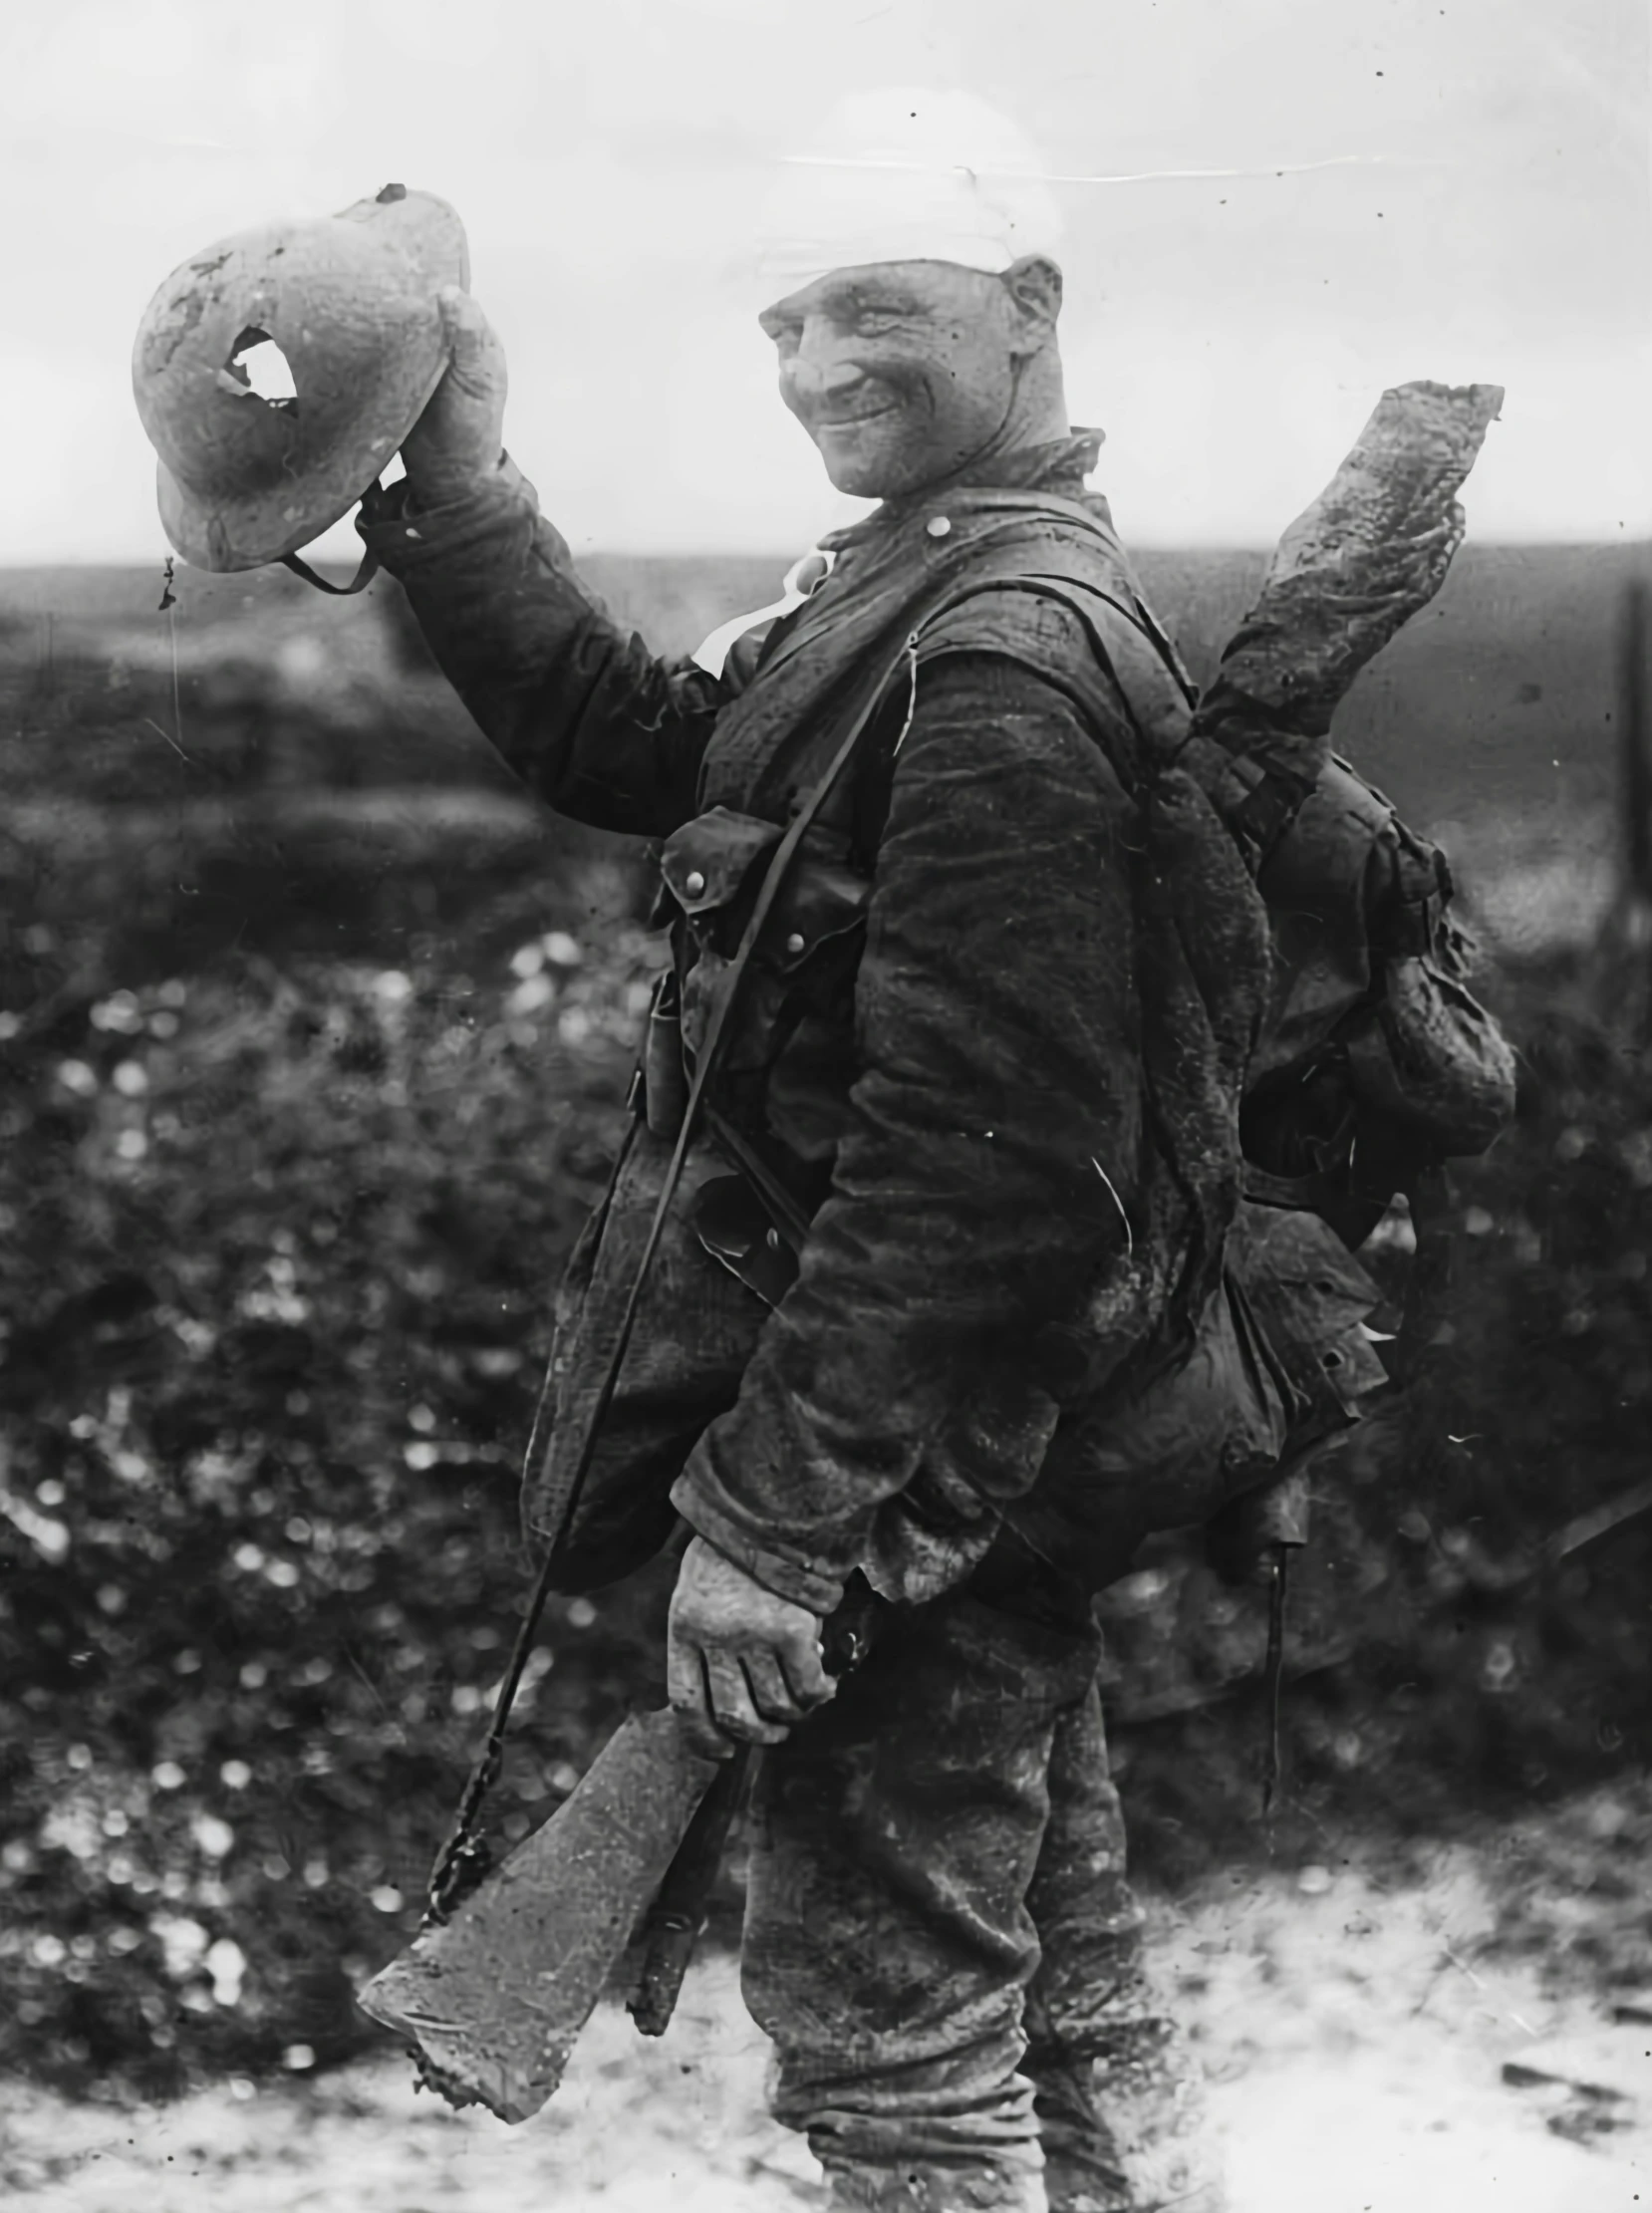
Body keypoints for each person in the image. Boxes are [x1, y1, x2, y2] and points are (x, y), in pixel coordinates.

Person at [355, 92, 1291, 2213]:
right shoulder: (904, 605)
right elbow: (627, 737)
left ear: (1030, 307)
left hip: (899, 1468)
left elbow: (988, 1161)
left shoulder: (989, 665)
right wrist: (450, 471)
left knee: (900, 2062)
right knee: (1059, 1997)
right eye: (785, 321)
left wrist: (776, 1530)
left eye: (876, 310)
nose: (810, 370)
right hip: (971, 1455)